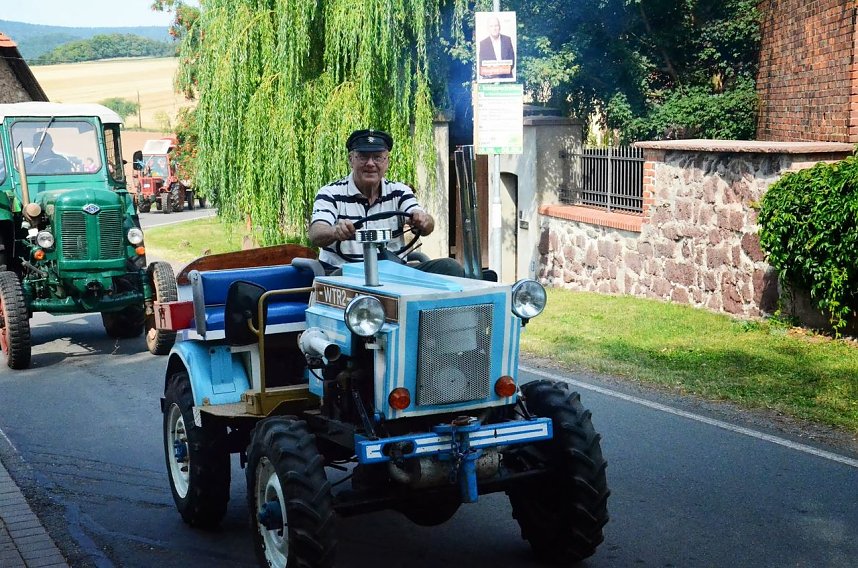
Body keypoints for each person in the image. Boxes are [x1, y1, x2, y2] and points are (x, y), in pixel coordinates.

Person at [309, 128, 465, 277]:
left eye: (377, 157)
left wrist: (423, 220)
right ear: (351, 159)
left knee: (449, 267)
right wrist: (335, 231)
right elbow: (316, 233)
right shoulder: (330, 193)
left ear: (387, 162)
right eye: (363, 157)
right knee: (344, 275)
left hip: (394, 274)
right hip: (345, 275)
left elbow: (427, 225)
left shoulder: (399, 191)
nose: (370, 164)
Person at [478, 15, 515, 80]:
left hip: (506, 79)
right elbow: (481, 65)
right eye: (491, 26)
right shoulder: (483, 44)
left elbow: (512, 62)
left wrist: (500, 70)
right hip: (490, 81)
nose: (494, 28)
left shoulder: (507, 40)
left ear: (499, 27)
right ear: (488, 28)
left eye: (496, 25)